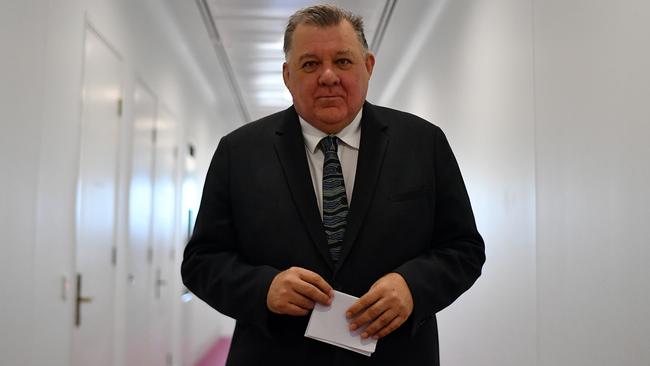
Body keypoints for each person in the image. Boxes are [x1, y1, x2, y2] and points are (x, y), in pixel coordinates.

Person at [181, 4, 485, 366]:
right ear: (287, 75)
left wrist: (413, 287)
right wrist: (263, 289)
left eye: (343, 61)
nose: (328, 76)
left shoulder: (423, 144)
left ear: (368, 67)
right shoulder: (238, 152)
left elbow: (464, 248)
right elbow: (201, 262)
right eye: (310, 64)